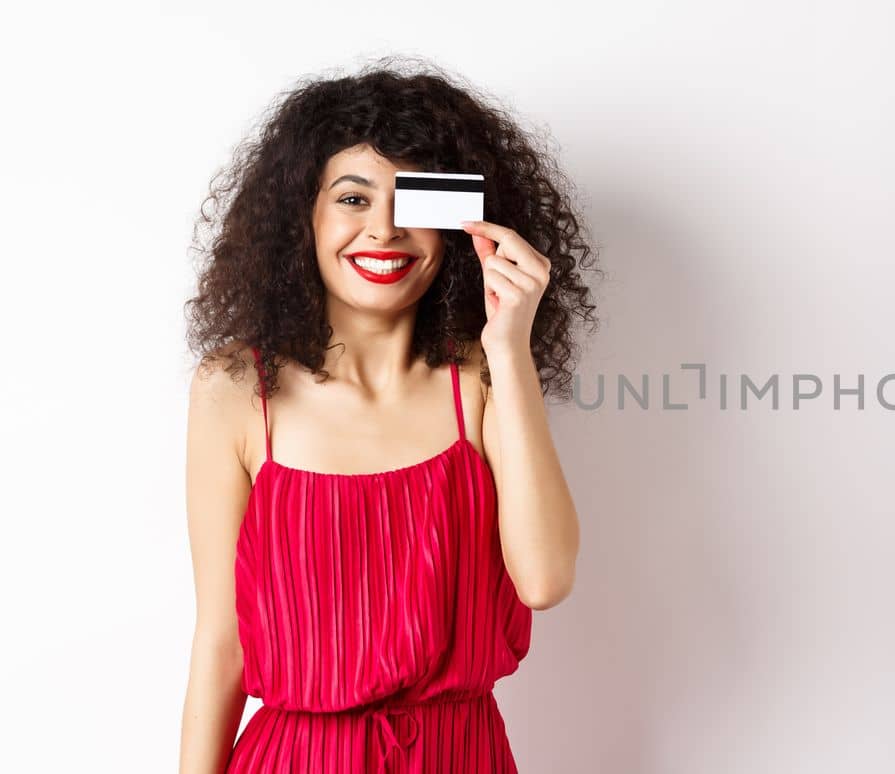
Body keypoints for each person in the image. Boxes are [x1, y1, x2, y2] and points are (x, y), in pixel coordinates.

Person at [178, 56, 598, 773]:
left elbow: (545, 580)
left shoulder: (486, 382)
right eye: (352, 199)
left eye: (414, 202)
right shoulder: (235, 390)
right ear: (300, 217)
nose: (383, 231)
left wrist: (511, 349)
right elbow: (222, 644)